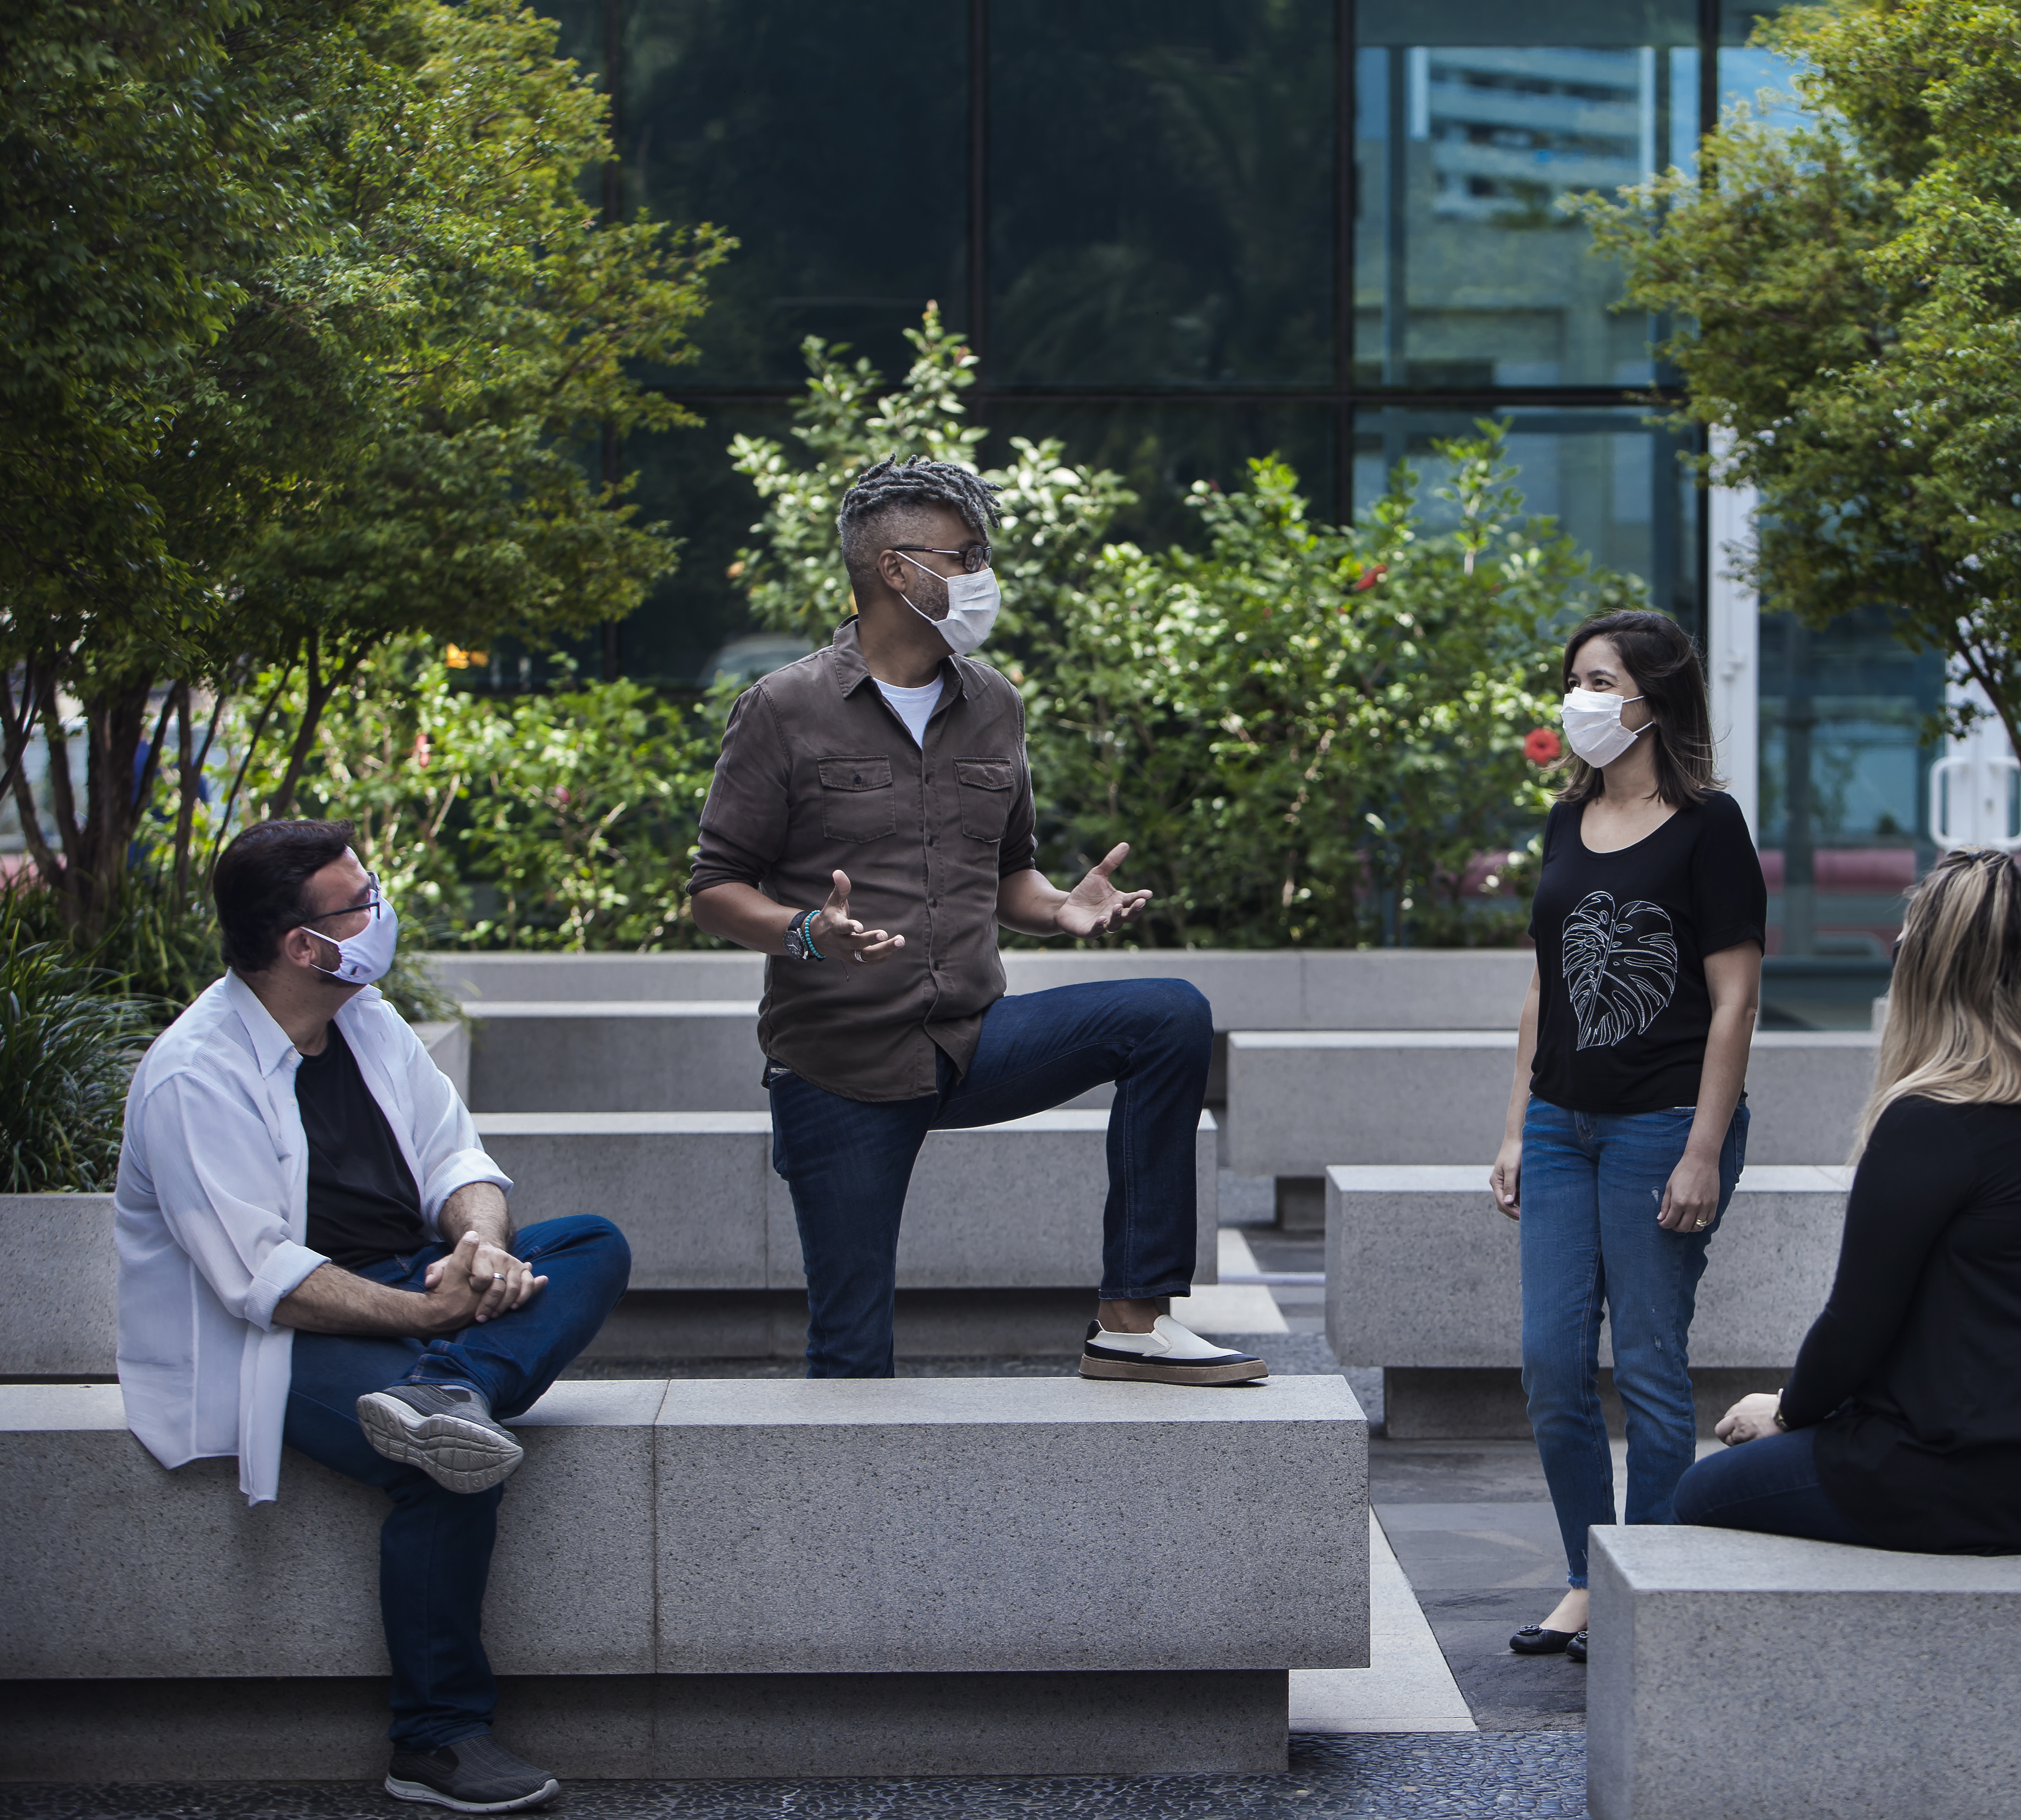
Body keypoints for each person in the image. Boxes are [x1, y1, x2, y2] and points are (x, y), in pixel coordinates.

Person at [688, 455, 1261, 1385]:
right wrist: (806, 932)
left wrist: (1064, 911)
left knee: (1167, 1016)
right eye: (966, 555)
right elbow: (714, 888)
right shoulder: (783, 708)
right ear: (896, 571)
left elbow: (1009, 876)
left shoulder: (994, 704)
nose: (981, 575)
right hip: (840, 1069)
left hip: (972, 1040)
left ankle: (1132, 1320)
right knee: (850, 1357)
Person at [117, 819, 631, 1813]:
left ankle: (456, 1381)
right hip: (273, 1338)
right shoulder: (194, 1074)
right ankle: (435, 1738)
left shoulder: (366, 1019)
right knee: (441, 1465)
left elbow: (457, 1160)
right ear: (304, 945)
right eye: (359, 901)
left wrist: (478, 1242)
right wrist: (423, 1303)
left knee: (588, 1243)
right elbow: (256, 1277)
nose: (380, 910)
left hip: (413, 1292)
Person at [1678, 849, 2021, 1555]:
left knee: (1698, 1496)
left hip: (1976, 1472)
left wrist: (1786, 1409)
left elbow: (1857, 1321)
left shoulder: (1931, 1121)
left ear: (1924, 968)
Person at [1488, 611, 1764, 1665]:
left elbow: (1733, 1003)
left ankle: (1641, 1573)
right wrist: (1514, 1124)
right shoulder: (1564, 820)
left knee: (1648, 1363)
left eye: (1598, 680)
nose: (1578, 699)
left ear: (1652, 698)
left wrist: (1702, 1146)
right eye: (1571, 679)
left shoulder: (1708, 826)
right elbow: (1540, 987)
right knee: (1551, 1360)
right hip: (1560, 1122)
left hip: (1661, 1125)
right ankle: (1581, 1573)